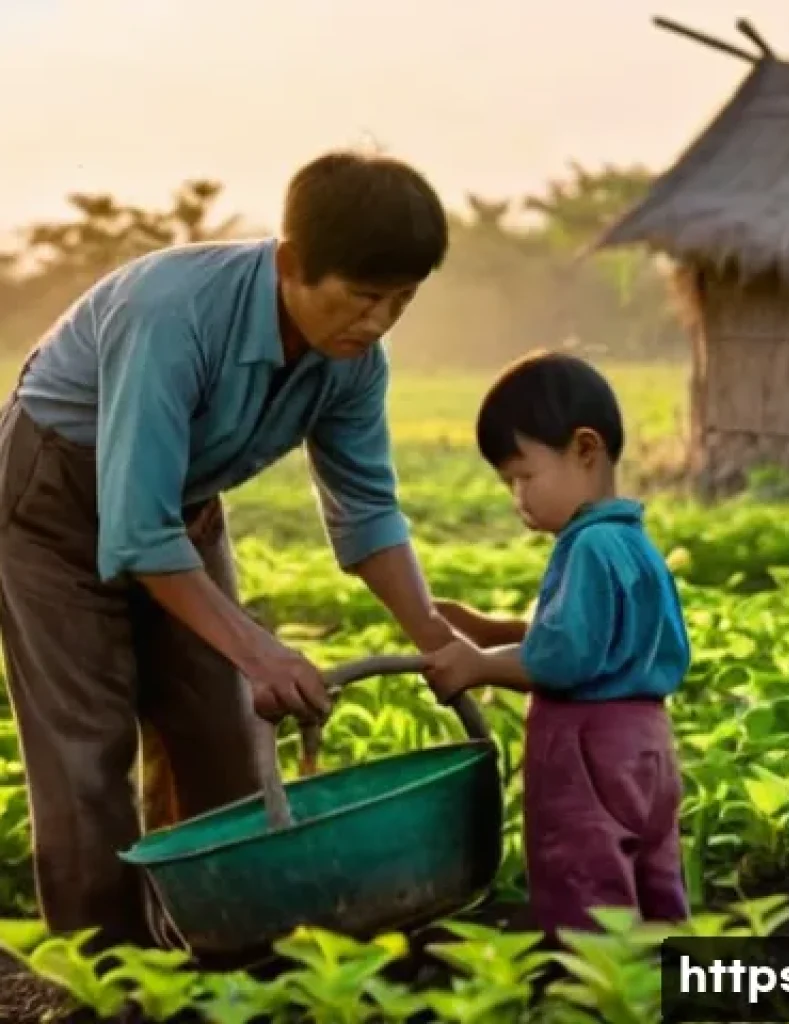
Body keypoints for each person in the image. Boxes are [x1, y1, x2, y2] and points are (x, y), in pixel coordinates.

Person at [0, 150, 460, 950]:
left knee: (223, 731)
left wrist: (435, 639)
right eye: (361, 296)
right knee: (86, 755)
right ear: (291, 265)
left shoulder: (354, 366)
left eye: (403, 300)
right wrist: (259, 649)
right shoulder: (171, 312)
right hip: (51, 501)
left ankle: (231, 949)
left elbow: (367, 514)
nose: (378, 321)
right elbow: (134, 532)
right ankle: (112, 979)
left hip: (178, 504)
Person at [425, 351, 691, 938]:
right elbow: (599, 640)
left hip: (587, 750)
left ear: (585, 450)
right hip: (646, 746)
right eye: (507, 484)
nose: (517, 497)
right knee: (654, 882)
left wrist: (479, 666)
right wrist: (489, 630)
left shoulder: (588, 547)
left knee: (586, 883)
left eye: (524, 476)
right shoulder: (634, 542)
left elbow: (564, 659)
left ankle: (594, 997)